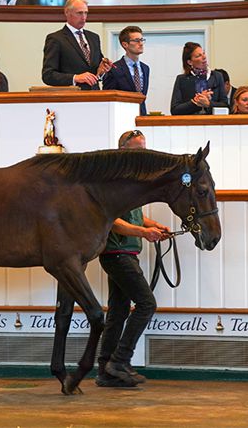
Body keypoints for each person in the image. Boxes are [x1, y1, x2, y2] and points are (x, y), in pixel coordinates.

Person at [96, 129, 171, 388]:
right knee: (146, 304)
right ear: (124, 151)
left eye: (144, 149)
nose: (143, 154)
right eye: (138, 149)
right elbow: (112, 221)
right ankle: (119, 361)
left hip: (125, 253)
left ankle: (106, 369)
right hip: (117, 252)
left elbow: (134, 216)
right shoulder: (113, 182)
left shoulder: (131, 183)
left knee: (117, 312)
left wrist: (153, 225)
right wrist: (143, 232)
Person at [41, 0, 113, 90]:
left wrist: (101, 71)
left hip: (95, 96)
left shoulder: (94, 38)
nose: (84, 17)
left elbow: (96, 71)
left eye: (86, 13)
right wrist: (75, 78)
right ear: (67, 12)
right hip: (72, 97)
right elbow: (48, 75)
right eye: (79, 13)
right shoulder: (56, 39)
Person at [103, 26, 150, 116]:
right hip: (121, 115)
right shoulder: (114, 69)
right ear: (125, 44)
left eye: (142, 40)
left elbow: (142, 96)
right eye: (136, 40)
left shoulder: (145, 68)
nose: (141, 43)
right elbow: (108, 97)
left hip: (142, 115)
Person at [170, 42, 227, 115]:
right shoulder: (181, 79)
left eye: (203, 53)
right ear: (190, 62)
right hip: (190, 123)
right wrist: (196, 102)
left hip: (212, 123)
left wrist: (209, 104)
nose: (204, 57)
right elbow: (174, 110)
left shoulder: (217, 76)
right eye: (198, 56)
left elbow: (225, 105)